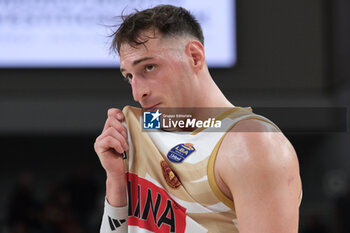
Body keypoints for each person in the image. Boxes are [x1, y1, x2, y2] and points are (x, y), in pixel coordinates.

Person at [94, 4, 302, 233]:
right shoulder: (137, 129)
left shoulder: (251, 143)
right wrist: (116, 179)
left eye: (149, 67)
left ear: (194, 56)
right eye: (129, 77)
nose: (137, 93)